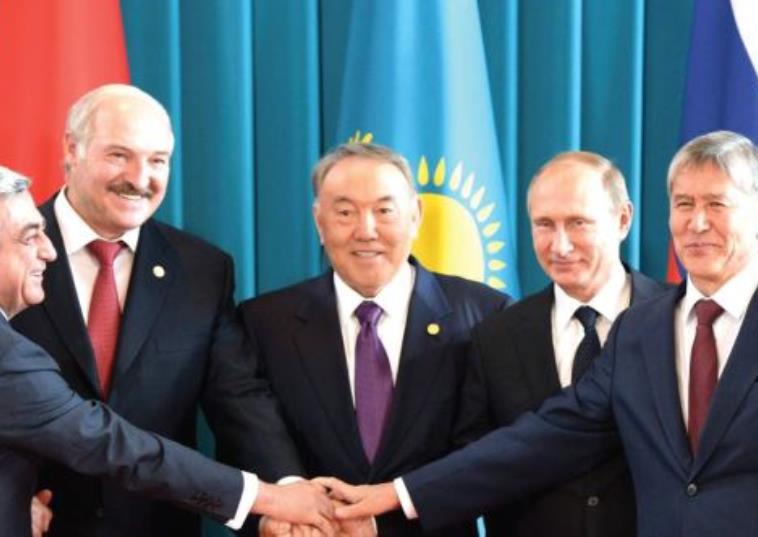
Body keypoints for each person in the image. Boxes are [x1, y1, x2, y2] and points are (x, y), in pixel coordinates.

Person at [320, 130, 758, 537]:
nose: (697, 223)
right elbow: (546, 435)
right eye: (684, 204)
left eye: (717, 205)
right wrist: (394, 494)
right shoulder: (642, 330)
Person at [0, 162, 335, 537]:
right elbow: (116, 447)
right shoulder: (1, 357)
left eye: (43, 230)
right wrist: (268, 497)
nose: (49, 250)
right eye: (28, 236)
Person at [10, 84, 303, 536]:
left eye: (157, 160)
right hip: (25, 521)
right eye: (119, 155)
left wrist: (286, 494)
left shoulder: (202, 270)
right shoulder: (4, 253)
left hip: (157, 523)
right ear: (72, 149)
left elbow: (237, 396)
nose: (140, 177)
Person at [243, 143, 512, 536]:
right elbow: (248, 444)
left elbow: (488, 461)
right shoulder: (265, 322)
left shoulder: (485, 316)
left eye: (384, 210)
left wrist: (381, 524)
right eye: (345, 212)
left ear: (416, 215)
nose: (365, 230)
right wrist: (274, 518)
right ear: (319, 222)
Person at [453, 151, 666, 536]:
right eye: (545, 225)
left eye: (578, 223)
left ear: (622, 220)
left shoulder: (678, 320)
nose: (560, 245)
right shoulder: (495, 336)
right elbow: (475, 467)